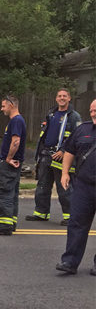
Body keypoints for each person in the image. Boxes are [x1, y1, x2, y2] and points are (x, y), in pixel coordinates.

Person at [25, 89, 81, 225]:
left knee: (64, 187)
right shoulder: (51, 114)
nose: (62, 98)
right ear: (56, 99)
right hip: (46, 155)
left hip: (62, 157)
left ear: (69, 98)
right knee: (42, 185)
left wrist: (63, 150)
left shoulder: (74, 117)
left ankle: (70, 216)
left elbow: (76, 137)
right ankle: (41, 213)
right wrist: (40, 151)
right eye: (59, 96)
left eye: (64, 96)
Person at [55, 99, 96, 275]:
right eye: (92, 110)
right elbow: (69, 151)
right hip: (83, 186)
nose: (93, 113)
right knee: (76, 223)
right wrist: (65, 173)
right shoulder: (82, 129)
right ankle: (69, 262)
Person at [0, 95, 26, 235]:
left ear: (11, 105)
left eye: (3, 106)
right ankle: (10, 222)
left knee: (3, 194)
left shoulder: (16, 121)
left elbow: (16, 142)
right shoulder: (18, 121)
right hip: (14, 164)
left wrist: (8, 158)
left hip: (10, 164)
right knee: (12, 194)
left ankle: (4, 226)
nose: (1, 108)